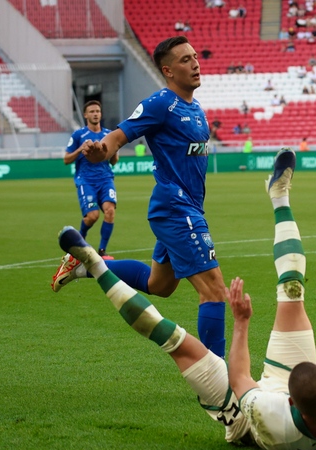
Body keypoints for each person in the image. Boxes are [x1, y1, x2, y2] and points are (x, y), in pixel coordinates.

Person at [53, 149, 316, 450]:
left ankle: (95, 264)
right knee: (291, 289)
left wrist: (242, 323)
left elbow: (241, 378)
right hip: (278, 401)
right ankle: (279, 197)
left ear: (296, 397)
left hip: (245, 423)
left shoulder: (268, 413)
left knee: (173, 339)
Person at [51, 36, 228, 360]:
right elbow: (117, 138)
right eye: (185, 59)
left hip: (186, 208)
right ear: (168, 70)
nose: (195, 63)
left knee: (160, 285)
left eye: (194, 56)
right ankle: (219, 376)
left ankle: (88, 265)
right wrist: (99, 151)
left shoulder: (196, 108)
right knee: (214, 289)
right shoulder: (160, 104)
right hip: (175, 208)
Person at [62, 101, 118, 260]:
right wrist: (80, 149)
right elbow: (66, 159)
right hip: (86, 181)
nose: (95, 114)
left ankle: (102, 251)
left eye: (98, 111)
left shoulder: (109, 134)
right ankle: (80, 238)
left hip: (105, 179)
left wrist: (113, 151)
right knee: (93, 216)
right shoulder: (78, 135)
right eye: (92, 111)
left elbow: (114, 162)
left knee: (110, 211)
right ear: (85, 115)